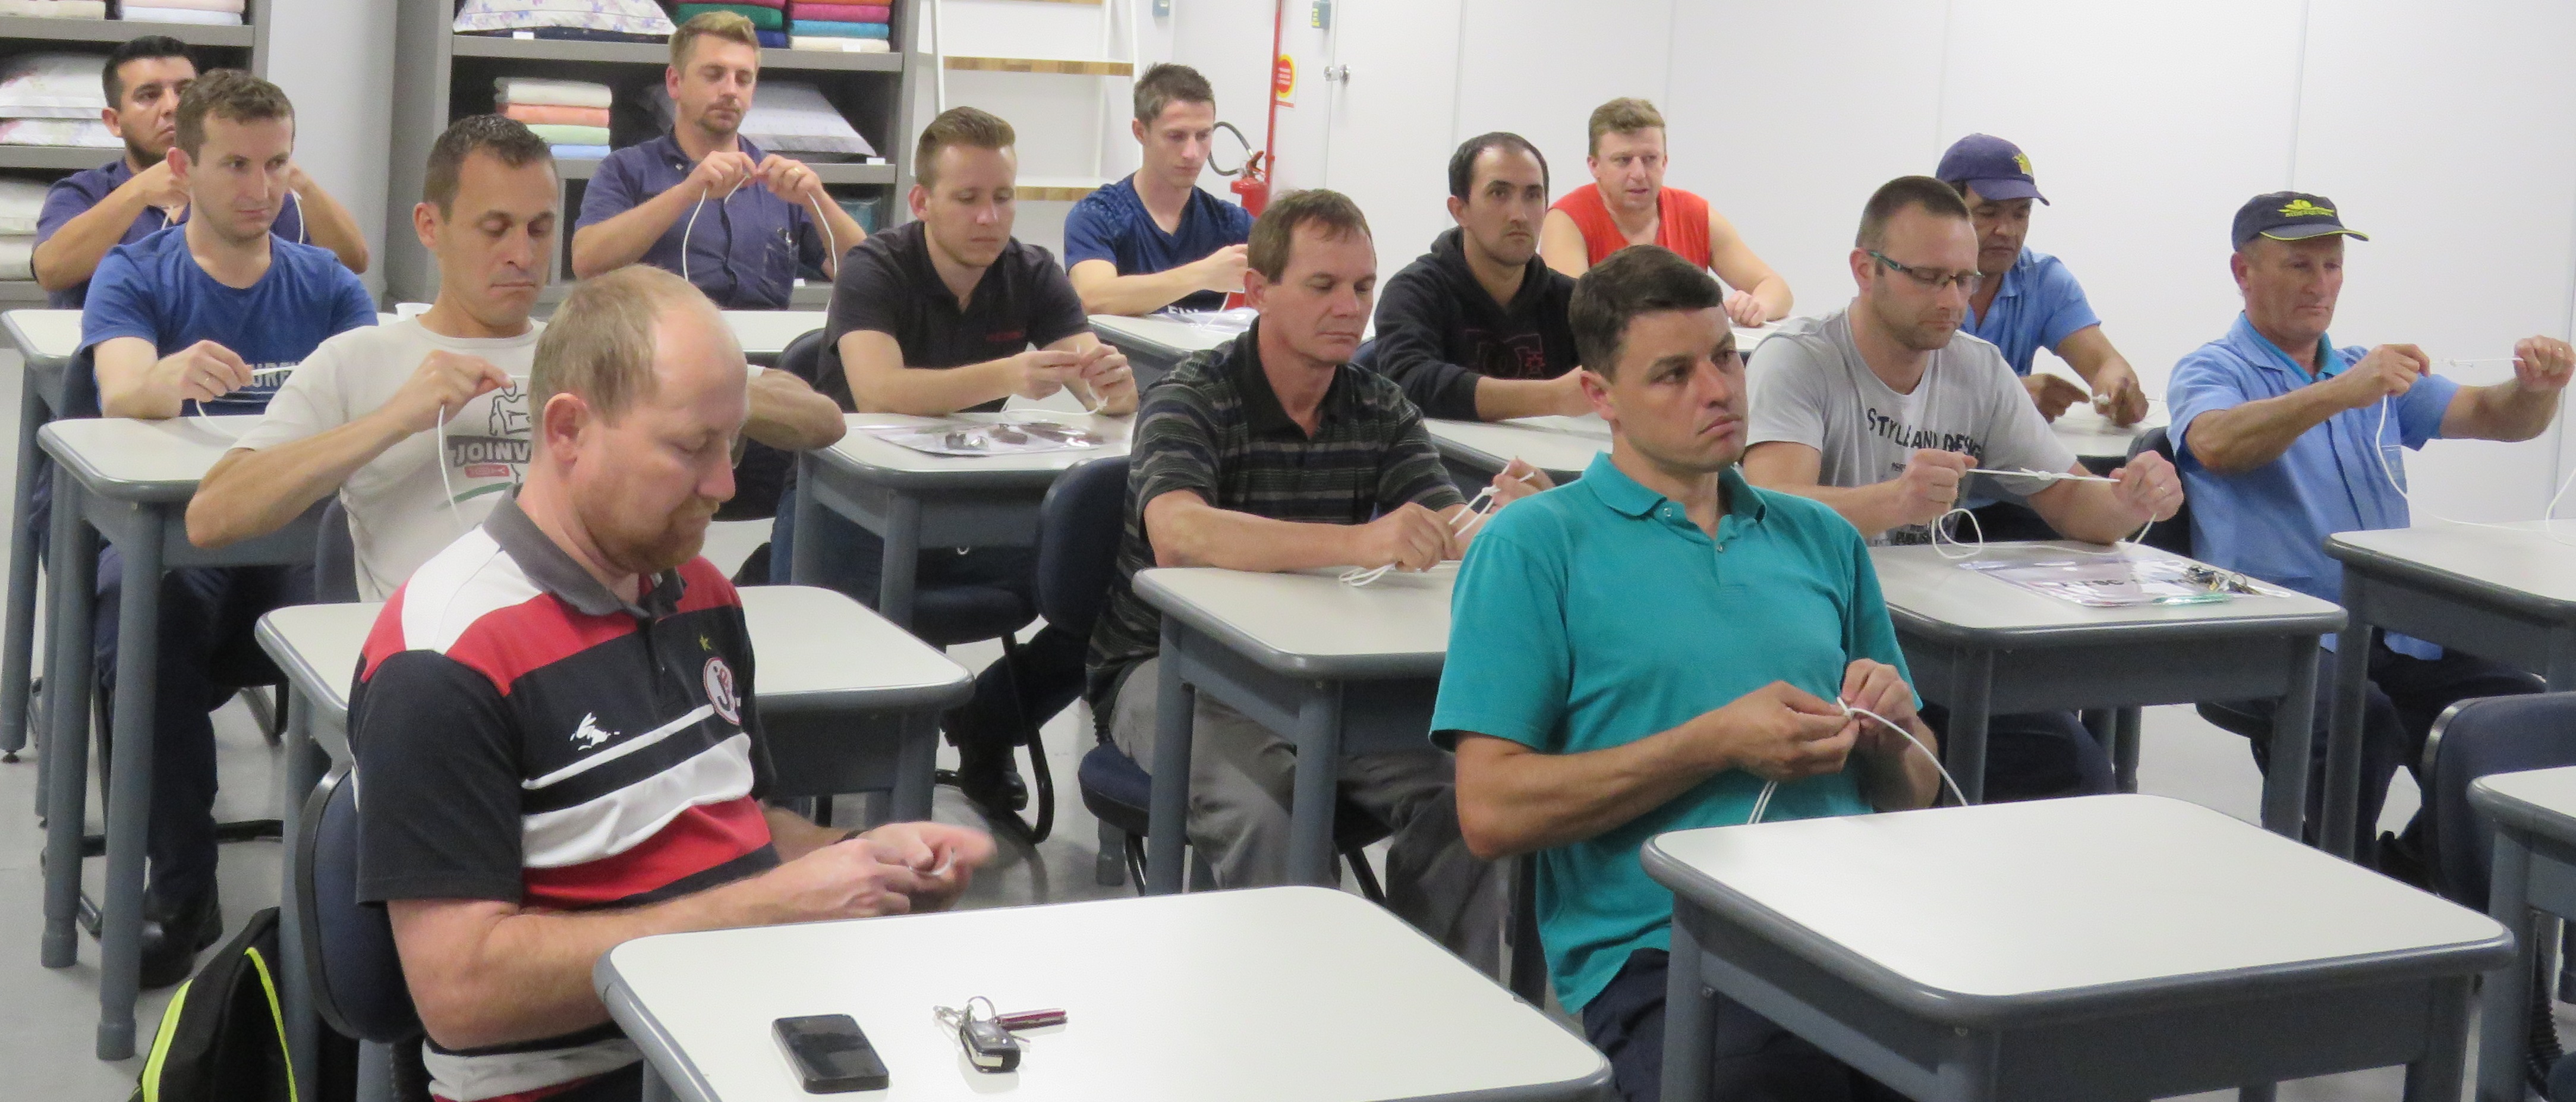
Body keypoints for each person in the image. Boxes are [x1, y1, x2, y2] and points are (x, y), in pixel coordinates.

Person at [352, 265, 996, 1102]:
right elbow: (463, 995)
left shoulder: (700, 594)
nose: (724, 485)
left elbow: (734, 819)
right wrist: (766, 909)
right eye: (691, 448)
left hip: (739, 1035)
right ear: (569, 430)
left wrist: (861, 862)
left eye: (733, 445)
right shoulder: (444, 659)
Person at [1441, 243, 1937, 1102]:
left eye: (1722, 359)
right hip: (1668, 946)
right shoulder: (1536, 547)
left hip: (1856, 922)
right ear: (1601, 396)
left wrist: (1892, 736)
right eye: (1673, 374)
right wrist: (1711, 745)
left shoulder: (1820, 537)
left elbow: (1915, 791)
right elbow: (1488, 811)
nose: (1716, 391)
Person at [1084, 188, 1542, 972]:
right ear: (1258, 291)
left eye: (1362, 287)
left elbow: (1451, 525)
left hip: (1319, 671)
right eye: (1323, 285)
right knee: (1266, 815)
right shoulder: (1192, 395)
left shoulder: (1378, 404)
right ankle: (1289, 1016)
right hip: (1168, 668)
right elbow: (1180, 534)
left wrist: (1518, 524)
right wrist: (1359, 540)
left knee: (1468, 798)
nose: (1349, 308)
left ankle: (1435, 1004)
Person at [188, 115, 842, 599]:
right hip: (441, 664)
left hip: (592, 643)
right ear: (430, 227)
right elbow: (212, 516)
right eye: (495, 229)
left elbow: (823, 422)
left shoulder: (594, 343)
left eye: (539, 229)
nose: (523, 256)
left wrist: (684, 396)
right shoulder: (359, 358)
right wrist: (392, 420)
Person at [74, 71, 377, 987]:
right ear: (183, 167)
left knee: (382, 620)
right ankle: (181, 887)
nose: (261, 188)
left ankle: (351, 891)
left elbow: (371, 409)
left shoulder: (326, 283)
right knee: (137, 610)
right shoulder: (137, 271)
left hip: (301, 535)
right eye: (236, 165)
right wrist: (165, 379)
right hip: (191, 535)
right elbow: (120, 387)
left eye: (277, 164)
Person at [1742, 175, 2184, 801]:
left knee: (2076, 771)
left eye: (1963, 280)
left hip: (1937, 639)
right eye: (1928, 278)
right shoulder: (1799, 359)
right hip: (1821, 635)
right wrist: (1895, 500)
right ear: (1865, 270)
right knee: (1906, 781)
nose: (1952, 300)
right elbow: (1773, 508)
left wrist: (2128, 501)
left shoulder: (1976, 366)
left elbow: (2069, 499)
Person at [2171, 191, 2569, 864]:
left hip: (2395, 630)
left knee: (2521, 715)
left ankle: (2412, 872)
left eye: (2331, 266)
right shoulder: (2213, 368)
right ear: (2243, 272)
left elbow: (2496, 418)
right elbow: (2214, 443)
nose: (2320, 285)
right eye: (2300, 266)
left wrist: (2536, 388)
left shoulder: (2362, 369)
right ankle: (2334, 882)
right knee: (2362, 719)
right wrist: (2341, 391)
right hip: (2282, 632)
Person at [773, 106, 1135, 823]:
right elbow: (879, 392)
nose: (988, 217)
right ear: (921, 201)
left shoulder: (1031, 272)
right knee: (817, 668)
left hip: (966, 512)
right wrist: (1007, 373)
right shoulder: (876, 268)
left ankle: (989, 721)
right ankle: (802, 799)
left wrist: (1114, 389)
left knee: (1112, 592)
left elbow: (1091, 380)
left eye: (1002, 197)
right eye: (967, 198)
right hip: (846, 508)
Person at [33, 35, 369, 308]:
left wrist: (293, 177)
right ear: (114, 121)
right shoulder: (86, 192)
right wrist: (137, 193)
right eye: (149, 95)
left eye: (185, 91)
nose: (172, 106)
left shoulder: (255, 192)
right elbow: (51, 272)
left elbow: (351, 265)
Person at [571, 11, 868, 309]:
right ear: (675, 82)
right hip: (659, 334)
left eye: (743, 79)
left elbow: (868, 273)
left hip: (763, 337)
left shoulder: (778, 181)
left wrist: (818, 199)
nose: (730, 91)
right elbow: (587, 263)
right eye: (714, 75)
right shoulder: (627, 169)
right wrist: (685, 193)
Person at [1368, 131, 1585, 421]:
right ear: (1460, 211)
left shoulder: (1573, 301)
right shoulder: (1414, 291)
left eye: (1533, 195)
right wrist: (1554, 397)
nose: (1520, 215)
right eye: (1499, 194)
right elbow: (1409, 383)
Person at [1934, 134, 2148, 425]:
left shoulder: (2043, 280)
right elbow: (1891, 390)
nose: (2008, 231)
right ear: (1944, 212)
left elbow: (2105, 364)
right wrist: (2010, 397)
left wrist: (2119, 389)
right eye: (1988, 212)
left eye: (2021, 214)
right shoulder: (1910, 280)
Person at [1539, 97, 1790, 327]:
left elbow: (1776, 288)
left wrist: (1758, 307)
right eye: (1623, 160)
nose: (1639, 174)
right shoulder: (1567, 220)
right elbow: (1575, 314)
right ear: (1594, 166)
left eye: (1650, 159)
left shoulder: (1696, 214)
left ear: (1665, 162)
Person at [1064, 62, 1254, 316]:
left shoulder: (1229, 222)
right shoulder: (1098, 215)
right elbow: (1094, 298)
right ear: (1140, 132)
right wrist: (1203, 274)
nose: (1192, 153)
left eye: (1203, 136)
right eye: (1176, 136)